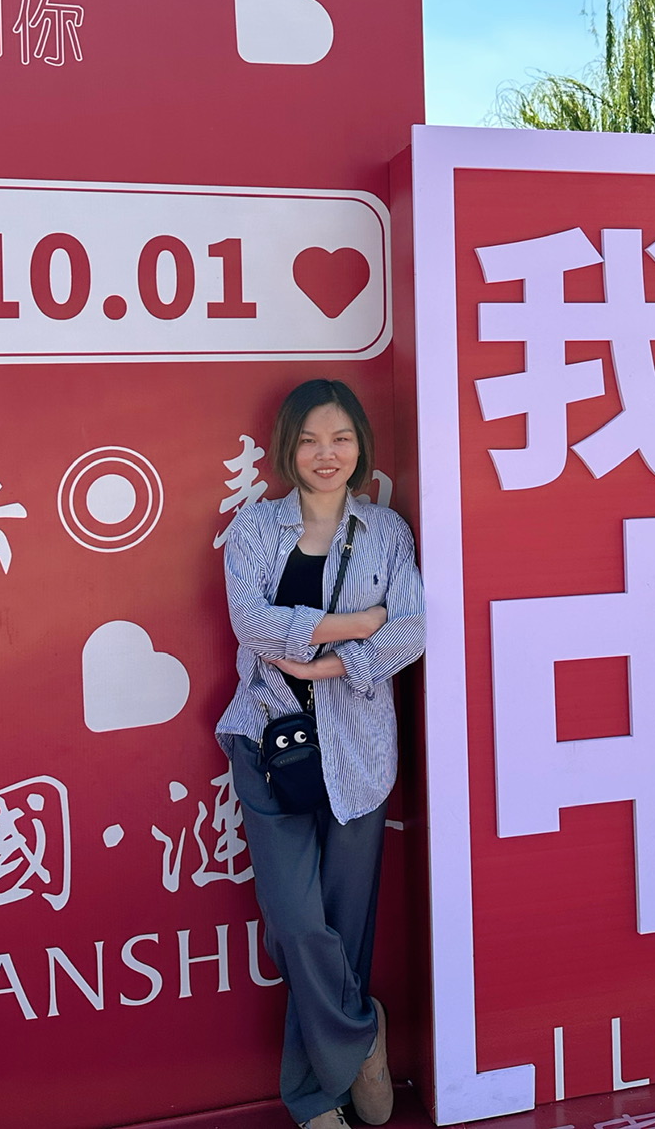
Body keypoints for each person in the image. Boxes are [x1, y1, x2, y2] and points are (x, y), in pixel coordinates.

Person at [217, 378, 425, 1129]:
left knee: (346, 923)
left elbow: (412, 629)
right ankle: (363, 1035)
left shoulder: (386, 532)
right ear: (288, 450)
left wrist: (333, 665)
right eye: (309, 440)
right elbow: (251, 624)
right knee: (299, 924)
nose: (325, 454)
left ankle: (315, 1103)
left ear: (360, 446)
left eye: (339, 438)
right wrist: (356, 622)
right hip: (266, 740)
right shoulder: (254, 528)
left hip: (356, 748)